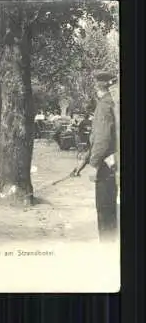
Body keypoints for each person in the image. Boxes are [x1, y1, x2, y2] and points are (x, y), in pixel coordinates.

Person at [71, 70, 118, 243]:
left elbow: (103, 139)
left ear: (98, 86)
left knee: (105, 210)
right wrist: (82, 164)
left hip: (106, 166)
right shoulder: (110, 104)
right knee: (109, 209)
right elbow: (98, 140)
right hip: (110, 162)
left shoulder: (104, 106)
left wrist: (94, 165)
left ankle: (107, 250)